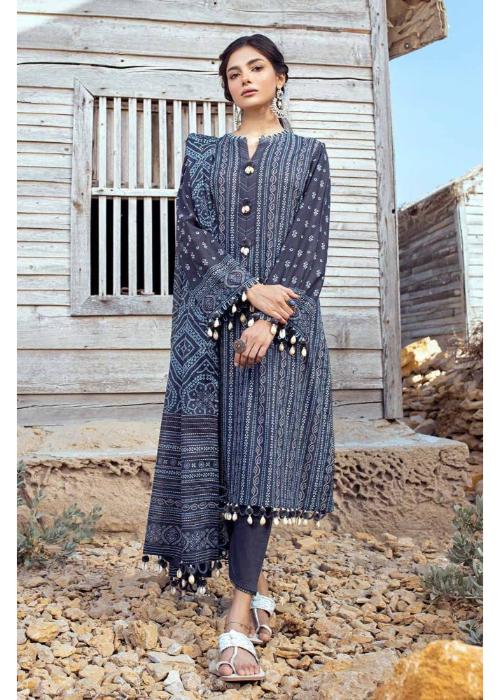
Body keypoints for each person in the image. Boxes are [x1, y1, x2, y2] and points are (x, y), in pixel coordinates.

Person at [139, 33, 335, 683]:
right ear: (225, 87)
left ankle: (239, 618)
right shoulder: (205, 154)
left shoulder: (309, 154)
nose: (244, 78)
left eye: (256, 67)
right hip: (211, 331)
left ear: (280, 77)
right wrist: (247, 290)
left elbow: (309, 244)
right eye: (232, 72)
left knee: (258, 462)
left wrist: (269, 319)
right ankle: (255, 585)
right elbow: (190, 234)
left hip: (281, 334)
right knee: (221, 462)